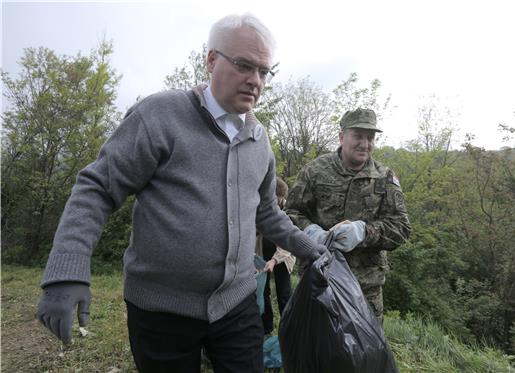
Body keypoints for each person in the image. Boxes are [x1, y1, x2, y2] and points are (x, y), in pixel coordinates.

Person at [36, 13, 327, 373]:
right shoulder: (159, 115)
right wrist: (67, 269)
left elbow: (266, 212)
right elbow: (98, 188)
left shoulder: (259, 140)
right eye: (243, 65)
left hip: (235, 304)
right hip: (161, 312)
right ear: (211, 60)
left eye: (264, 71)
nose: (255, 80)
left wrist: (311, 248)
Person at [284, 108, 412, 325]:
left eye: (370, 138)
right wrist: (310, 231)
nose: (365, 144)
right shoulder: (315, 171)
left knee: (364, 352)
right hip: (319, 278)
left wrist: (364, 232)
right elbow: (291, 213)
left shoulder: (384, 177)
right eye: (358, 136)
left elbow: (402, 227)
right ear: (342, 137)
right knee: (316, 344)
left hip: (365, 287)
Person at [259, 177, 295, 335]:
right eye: (275, 198)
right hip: (262, 255)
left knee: (284, 294)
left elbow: (288, 243)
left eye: (279, 198)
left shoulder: (288, 212)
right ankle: (267, 328)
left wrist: (274, 260)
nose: (278, 201)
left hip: (282, 257)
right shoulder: (260, 209)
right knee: (263, 291)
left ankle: (289, 329)